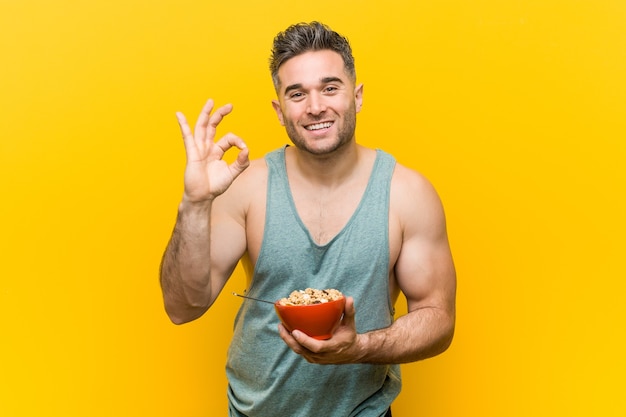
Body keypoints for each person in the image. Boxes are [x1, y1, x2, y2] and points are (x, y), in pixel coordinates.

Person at [160, 21, 456, 417]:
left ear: (358, 95)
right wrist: (194, 203)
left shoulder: (407, 194)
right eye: (297, 94)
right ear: (279, 111)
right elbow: (183, 307)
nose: (315, 106)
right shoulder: (248, 187)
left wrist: (360, 348)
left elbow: (438, 319)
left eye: (330, 88)